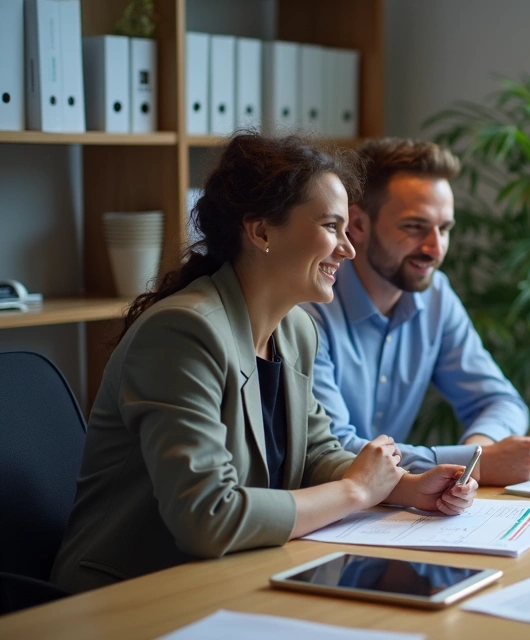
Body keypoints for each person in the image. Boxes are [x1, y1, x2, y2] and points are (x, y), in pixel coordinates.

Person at [51, 135, 477, 594]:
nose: (347, 249)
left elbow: (316, 455)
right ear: (261, 232)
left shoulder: (295, 330)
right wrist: (357, 492)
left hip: (233, 578)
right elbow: (207, 518)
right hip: (131, 595)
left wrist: (406, 488)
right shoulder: (181, 332)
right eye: (332, 227)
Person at [305, 138, 530, 486]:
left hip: (393, 507)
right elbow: (335, 449)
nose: (435, 248)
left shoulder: (436, 295)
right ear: (357, 225)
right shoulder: (309, 306)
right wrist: (473, 464)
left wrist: (477, 454)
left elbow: (500, 401)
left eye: (445, 229)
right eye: (414, 227)